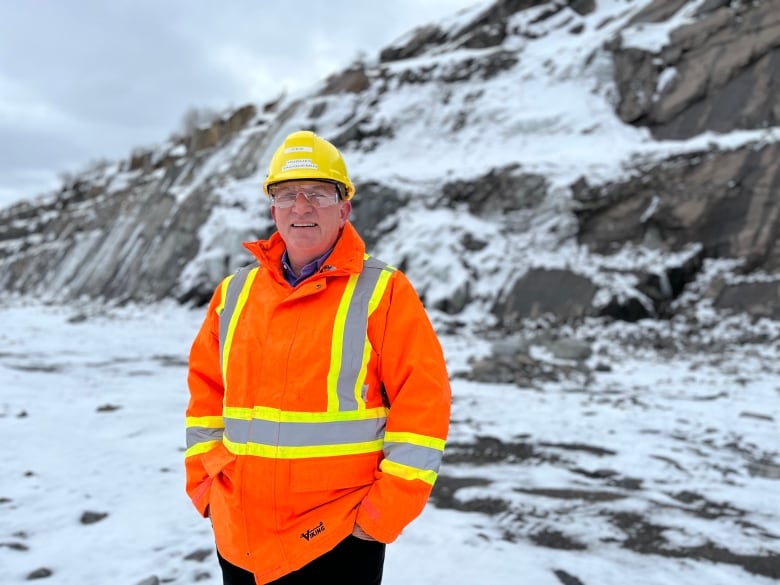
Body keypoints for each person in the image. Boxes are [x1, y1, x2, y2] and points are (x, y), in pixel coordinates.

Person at [185, 130, 452, 584]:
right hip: (239, 532)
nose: (301, 206)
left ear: (344, 207)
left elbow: (423, 406)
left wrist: (380, 518)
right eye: (286, 194)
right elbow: (206, 396)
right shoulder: (234, 293)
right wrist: (207, 486)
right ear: (273, 208)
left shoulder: (384, 292)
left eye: (318, 193)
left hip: (338, 535)